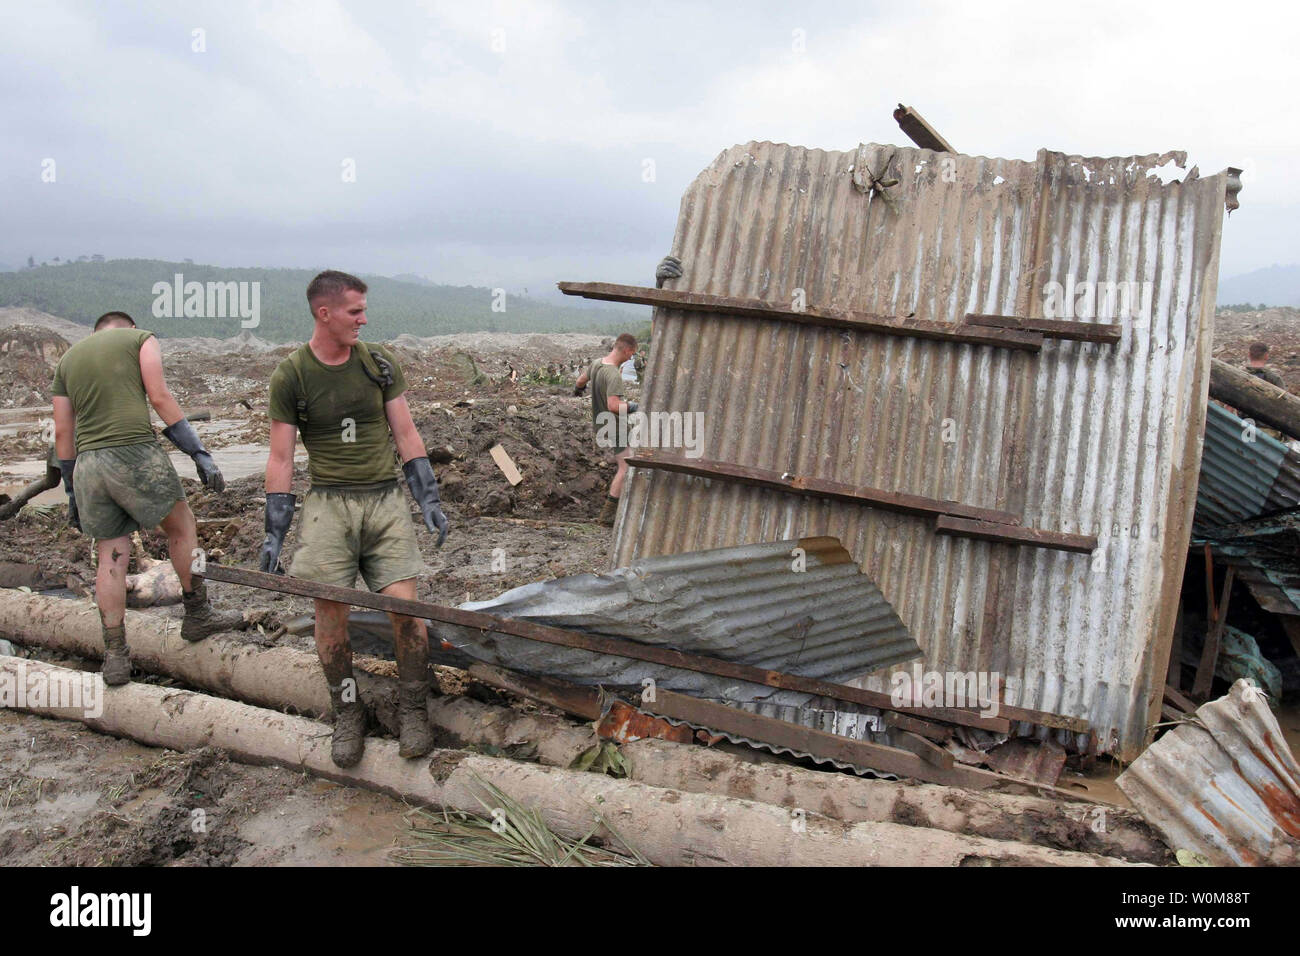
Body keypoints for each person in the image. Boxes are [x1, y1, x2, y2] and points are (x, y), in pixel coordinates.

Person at [259, 270, 448, 768]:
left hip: (385, 501)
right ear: (325, 313)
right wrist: (275, 528)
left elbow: (406, 433)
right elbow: (280, 458)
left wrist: (426, 497)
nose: (364, 319)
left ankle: (412, 710)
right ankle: (347, 712)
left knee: (407, 611)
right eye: (354, 311)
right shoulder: (292, 375)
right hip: (327, 506)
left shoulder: (378, 365)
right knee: (329, 616)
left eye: (364, 310)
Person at [51, 311, 240, 686]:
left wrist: (72, 489)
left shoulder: (67, 360)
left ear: (95, 333)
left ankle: (116, 655)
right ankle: (198, 614)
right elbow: (159, 395)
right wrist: (198, 452)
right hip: (134, 452)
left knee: (111, 554)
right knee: (181, 527)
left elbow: (62, 430)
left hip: (89, 465)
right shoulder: (140, 340)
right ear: (130, 328)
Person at [574, 333, 638, 526]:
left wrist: (577, 391)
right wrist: (635, 406)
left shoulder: (597, 364)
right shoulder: (613, 375)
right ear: (626, 350)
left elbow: (580, 381)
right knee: (625, 468)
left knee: (631, 459)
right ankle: (608, 515)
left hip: (601, 424)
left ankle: (624, 503)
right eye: (631, 354)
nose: (631, 358)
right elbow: (613, 406)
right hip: (614, 426)